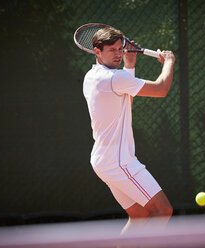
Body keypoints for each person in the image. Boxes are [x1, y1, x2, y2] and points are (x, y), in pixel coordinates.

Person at [83, 27, 175, 233]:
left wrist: (129, 65)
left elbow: (124, 103)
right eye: (112, 50)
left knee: (140, 216)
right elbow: (161, 89)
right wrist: (169, 61)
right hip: (118, 161)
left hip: (103, 161)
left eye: (120, 49)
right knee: (163, 210)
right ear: (97, 52)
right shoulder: (114, 78)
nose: (118, 54)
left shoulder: (92, 76)